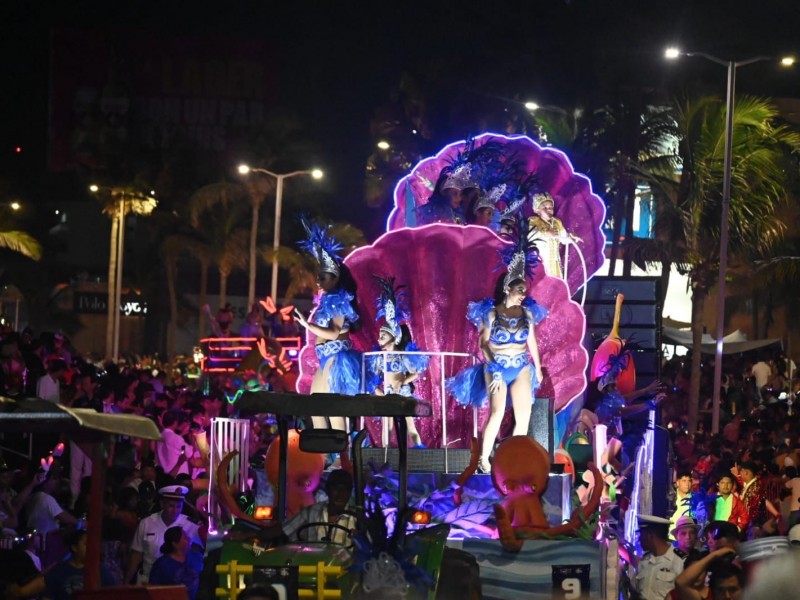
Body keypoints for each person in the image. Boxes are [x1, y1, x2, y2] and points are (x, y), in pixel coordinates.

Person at [446, 219, 547, 474]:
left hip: (521, 365)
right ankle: (483, 459)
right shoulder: (490, 314)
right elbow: (482, 342)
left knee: (523, 415)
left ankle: (512, 458)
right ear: (507, 288)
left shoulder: (528, 314)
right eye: (519, 288)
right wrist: (493, 366)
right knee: (497, 412)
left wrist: (538, 366)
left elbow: (531, 341)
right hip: (497, 366)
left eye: (525, 288)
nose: (523, 292)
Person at [293, 217, 362, 431]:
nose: (318, 282)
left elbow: (333, 333)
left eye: (322, 278)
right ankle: (328, 454)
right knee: (316, 407)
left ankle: (343, 457)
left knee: (332, 408)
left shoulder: (339, 300)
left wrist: (307, 325)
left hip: (335, 356)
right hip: (325, 356)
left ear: (334, 279)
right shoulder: (327, 301)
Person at [367, 276, 430, 448]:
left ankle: (420, 454)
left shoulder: (402, 356)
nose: (379, 341)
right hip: (387, 395)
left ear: (394, 339)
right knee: (386, 428)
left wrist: (404, 381)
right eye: (379, 337)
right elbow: (373, 380)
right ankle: (385, 455)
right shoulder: (380, 358)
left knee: (410, 428)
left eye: (383, 337)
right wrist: (378, 392)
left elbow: (415, 372)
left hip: (402, 395)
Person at [126, 485, 204, 584]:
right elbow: (136, 555)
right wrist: (127, 581)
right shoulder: (146, 523)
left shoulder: (191, 525)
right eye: (171, 506)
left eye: (179, 506)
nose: (175, 510)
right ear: (162, 504)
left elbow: (202, 552)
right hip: (147, 580)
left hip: (177, 583)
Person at [258, 469, 356, 545]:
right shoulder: (312, 511)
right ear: (328, 490)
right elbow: (284, 529)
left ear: (350, 492)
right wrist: (254, 535)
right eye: (336, 489)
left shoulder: (356, 519)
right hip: (311, 567)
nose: (340, 494)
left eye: (345, 490)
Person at [43, 529, 114, 600]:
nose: (91, 547)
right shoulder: (59, 571)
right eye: (86, 544)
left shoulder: (101, 570)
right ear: (75, 548)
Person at [633, 514, 685, 600]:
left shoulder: (680, 560)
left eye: (641, 535)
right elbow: (635, 591)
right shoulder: (644, 560)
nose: (639, 539)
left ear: (649, 535)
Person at [527, 191, 578, 279]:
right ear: (538, 210)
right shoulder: (533, 221)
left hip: (555, 262)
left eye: (550, 207)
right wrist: (545, 233)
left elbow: (563, 239)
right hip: (540, 261)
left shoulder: (557, 222)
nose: (548, 210)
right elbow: (530, 235)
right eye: (545, 208)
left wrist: (571, 237)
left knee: (556, 284)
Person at [148, 526, 204, 600]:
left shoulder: (197, 557)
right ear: (175, 544)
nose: (189, 539)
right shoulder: (162, 564)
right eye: (185, 538)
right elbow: (154, 589)